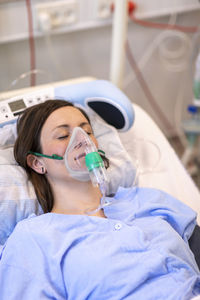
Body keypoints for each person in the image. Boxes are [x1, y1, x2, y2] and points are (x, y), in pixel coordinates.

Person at [0, 99, 200, 299]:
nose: (81, 140)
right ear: (37, 162)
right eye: (63, 135)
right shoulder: (35, 238)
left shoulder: (147, 200)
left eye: (87, 132)